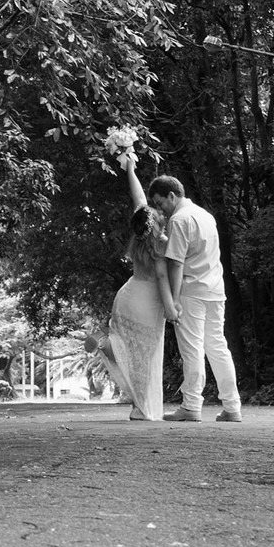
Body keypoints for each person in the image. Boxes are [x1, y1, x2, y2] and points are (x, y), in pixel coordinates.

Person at [147, 175, 242, 423]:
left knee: (192, 349)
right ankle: (232, 406)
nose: (160, 210)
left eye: (160, 203)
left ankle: (191, 405)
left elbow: (176, 263)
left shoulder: (179, 220)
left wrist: (174, 299)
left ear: (171, 196)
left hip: (192, 291)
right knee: (218, 347)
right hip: (215, 289)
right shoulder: (205, 215)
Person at [104, 153, 181, 421]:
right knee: (144, 358)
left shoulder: (140, 236)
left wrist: (131, 169)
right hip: (147, 303)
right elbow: (161, 277)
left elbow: (138, 199)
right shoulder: (162, 241)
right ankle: (139, 407)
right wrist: (171, 308)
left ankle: (111, 348)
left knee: (132, 352)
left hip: (127, 297)